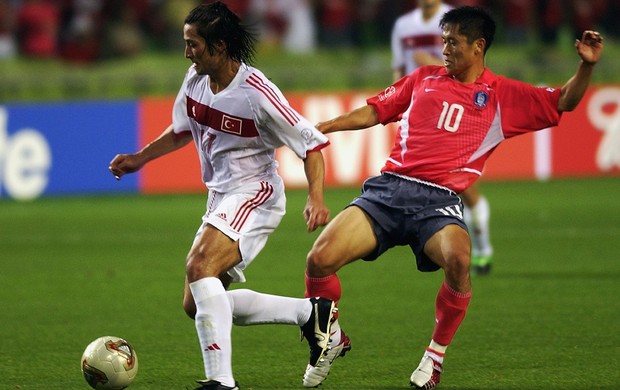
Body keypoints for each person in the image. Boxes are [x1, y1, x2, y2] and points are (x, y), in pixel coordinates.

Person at [302, 6, 603, 389]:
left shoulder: (502, 95)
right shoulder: (423, 78)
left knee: (459, 259)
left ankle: (434, 357)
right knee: (319, 260)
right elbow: (375, 111)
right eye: (442, 40)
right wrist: (324, 126)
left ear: (478, 46)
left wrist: (587, 67)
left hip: (438, 201)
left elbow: (564, 101)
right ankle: (330, 338)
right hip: (390, 189)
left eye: (453, 42)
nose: (444, 49)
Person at [108, 3, 337, 389]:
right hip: (219, 197)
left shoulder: (256, 93)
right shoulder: (195, 79)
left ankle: (222, 382)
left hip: (255, 192)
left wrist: (316, 197)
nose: (187, 52)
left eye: (193, 44)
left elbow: (310, 145)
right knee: (198, 304)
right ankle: (310, 313)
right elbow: (182, 129)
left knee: (199, 267)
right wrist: (140, 158)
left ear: (219, 46)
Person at [391, 0, 494, 275]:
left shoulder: (457, 23)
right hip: (418, 113)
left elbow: (470, 70)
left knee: (466, 190)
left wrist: (432, 63)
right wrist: (397, 105)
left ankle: (482, 249)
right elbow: (399, 69)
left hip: (453, 113)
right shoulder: (403, 26)